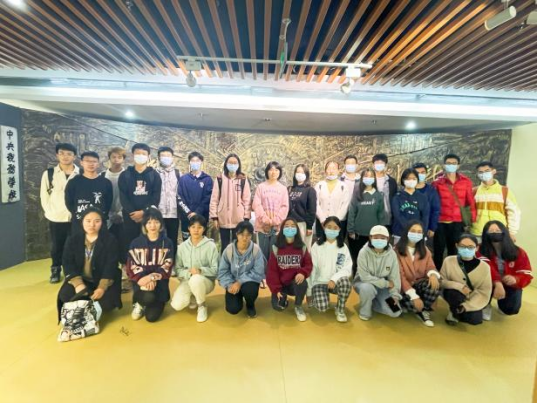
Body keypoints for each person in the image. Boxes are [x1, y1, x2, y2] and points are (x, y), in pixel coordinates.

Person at [57, 207, 122, 322]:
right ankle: (87, 304)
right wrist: (78, 284)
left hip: (102, 280)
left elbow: (111, 265)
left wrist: (102, 288)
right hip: (82, 280)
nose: (92, 225)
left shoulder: (110, 240)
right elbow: (67, 263)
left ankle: (84, 305)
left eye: (97, 221)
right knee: (65, 295)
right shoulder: (73, 239)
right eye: (88, 221)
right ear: (82, 221)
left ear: (102, 222)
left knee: (108, 304)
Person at [40, 142, 80, 284]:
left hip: (76, 217)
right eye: (62, 153)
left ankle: (73, 270)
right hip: (57, 217)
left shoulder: (80, 173)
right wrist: (50, 211)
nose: (65, 156)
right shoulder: (49, 173)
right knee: (57, 245)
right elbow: (44, 195)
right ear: (57, 155)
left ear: (74, 156)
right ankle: (56, 269)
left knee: (76, 244)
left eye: (69, 154)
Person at [126, 208, 174, 323]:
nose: (153, 226)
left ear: (161, 224)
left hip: (160, 285)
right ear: (144, 225)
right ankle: (139, 304)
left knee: (151, 318)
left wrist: (152, 277)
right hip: (142, 284)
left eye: (156, 222)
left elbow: (167, 266)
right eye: (149, 222)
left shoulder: (167, 243)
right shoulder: (136, 243)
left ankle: (156, 302)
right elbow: (131, 266)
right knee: (148, 297)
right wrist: (143, 279)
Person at [479, 221, 534, 321]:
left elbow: (526, 273)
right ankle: (485, 304)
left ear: (504, 232)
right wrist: (497, 282)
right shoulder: (480, 249)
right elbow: (485, 267)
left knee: (511, 309)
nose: (494, 233)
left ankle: (503, 304)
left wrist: (516, 279)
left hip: (508, 284)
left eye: (497, 230)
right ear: (485, 234)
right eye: (491, 231)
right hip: (488, 282)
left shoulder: (518, 251)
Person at [118, 143, 162, 264]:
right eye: (138, 153)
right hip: (130, 217)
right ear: (133, 155)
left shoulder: (154, 175)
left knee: (148, 243)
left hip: (148, 217)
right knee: (129, 242)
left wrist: (143, 212)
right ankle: (130, 266)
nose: (140, 156)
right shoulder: (125, 175)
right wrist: (133, 213)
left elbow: (156, 197)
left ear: (148, 156)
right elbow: (123, 197)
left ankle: (147, 266)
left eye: (143, 154)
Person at [170, 215, 219, 323]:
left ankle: (202, 305)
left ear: (204, 229)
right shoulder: (182, 247)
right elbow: (178, 269)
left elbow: (215, 270)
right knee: (177, 305)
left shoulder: (211, 246)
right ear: (188, 228)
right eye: (193, 227)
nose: (196, 230)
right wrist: (189, 273)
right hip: (187, 281)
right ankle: (193, 296)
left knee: (196, 279)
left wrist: (201, 271)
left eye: (199, 227)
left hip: (205, 282)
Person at [432, 154, 477, 270]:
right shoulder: (437, 183)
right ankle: (437, 273)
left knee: (454, 250)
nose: (451, 165)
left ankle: (452, 272)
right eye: (448, 163)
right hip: (440, 222)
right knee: (438, 250)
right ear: (444, 165)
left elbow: (471, 202)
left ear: (458, 166)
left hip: (457, 222)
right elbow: (434, 204)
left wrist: (472, 219)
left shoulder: (466, 181)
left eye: (454, 163)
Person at [395, 221, 441, 328]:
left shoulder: (425, 250)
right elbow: (400, 276)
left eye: (419, 232)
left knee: (435, 284)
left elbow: (431, 266)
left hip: (419, 285)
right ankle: (413, 306)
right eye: (413, 231)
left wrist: (433, 275)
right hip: (403, 288)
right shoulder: (396, 250)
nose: (416, 234)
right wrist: (414, 296)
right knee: (394, 310)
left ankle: (423, 310)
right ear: (406, 232)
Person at [267, 218, 313, 322]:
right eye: (287, 226)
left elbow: (308, 264)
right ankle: (283, 298)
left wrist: (303, 273)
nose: (290, 228)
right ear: (282, 229)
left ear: (297, 230)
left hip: (294, 284)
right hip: (281, 284)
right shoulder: (276, 248)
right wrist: (276, 289)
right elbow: (272, 271)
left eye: (293, 226)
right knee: (278, 307)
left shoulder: (302, 247)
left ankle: (298, 306)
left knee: (302, 283)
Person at [441, 234, 492, 327]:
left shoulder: (485, 267)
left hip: (472, 297)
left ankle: (459, 310)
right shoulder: (448, 261)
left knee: (475, 319)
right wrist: (459, 286)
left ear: (477, 248)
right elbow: (442, 281)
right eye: (462, 246)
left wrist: (466, 306)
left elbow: (484, 292)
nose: (466, 249)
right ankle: (453, 311)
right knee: (454, 294)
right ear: (457, 246)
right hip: (454, 294)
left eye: (470, 247)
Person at [218, 221, 266, 318]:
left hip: (249, 282)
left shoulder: (256, 250)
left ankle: (250, 304)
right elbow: (223, 272)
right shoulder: (229, 250)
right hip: (232, 282)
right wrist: (229, 285)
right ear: (236, 234)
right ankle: (238, 297)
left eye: (248, 235)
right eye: (242, 234)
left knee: (250, 290)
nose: (245, 238)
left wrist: (240, 282)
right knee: (233, 309)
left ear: (251, 235)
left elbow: (258, 272)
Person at [309, 217, 353, 323]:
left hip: (335, 283)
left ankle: (340, 309)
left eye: (335, 228)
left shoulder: (343, 247)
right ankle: (323, 295)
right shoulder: (316, 246)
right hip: (319, 282)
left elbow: (347, 268)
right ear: (324, 228)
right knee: (322, 307)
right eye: (329, 227)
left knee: (346, 283)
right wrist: (309, 291)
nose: (332, 230)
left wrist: (334, 279)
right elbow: (312, 269)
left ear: (339, 230)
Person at [354, 226, 402, 321]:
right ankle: (365, 311)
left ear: (388, 238)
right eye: (376, 237)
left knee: (395, 312)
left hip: (382, 288)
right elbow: (364, 277)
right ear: (370, 238)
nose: (379, 240)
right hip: (364, 283)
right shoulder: (363, 252)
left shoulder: (392, 254)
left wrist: (395, 295)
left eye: (382, 238)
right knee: (367, 288)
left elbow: (394, 277)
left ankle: (373, 301)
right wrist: (386, 283)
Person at [210, 154, 252, 253]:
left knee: (238, 245)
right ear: (226, 164)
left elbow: (247, 200)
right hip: (223, 218)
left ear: (238, 165)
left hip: (239, 219)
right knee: (224, 246)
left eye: (235, 163)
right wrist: (215, 218)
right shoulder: (220, 179)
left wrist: (246, 218)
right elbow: (214, 199)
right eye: (230, 162)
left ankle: (237, 262)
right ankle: (225, 262)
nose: (232, 165)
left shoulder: (243, 179)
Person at [347, 168, 386, 277]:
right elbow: (352, 212)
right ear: (362, 178)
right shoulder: (357, 194)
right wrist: (350, 230)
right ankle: (356, 279)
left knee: (371, 259)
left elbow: (381, 215)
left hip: (372, 235)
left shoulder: (378, 195)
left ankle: (371, 279)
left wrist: (380, 232)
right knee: (356, 258)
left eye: (371, 176)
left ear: (374, 179)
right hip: (357, 234)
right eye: (366, 176)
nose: (368, 178)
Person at [472, 161, 521, 242]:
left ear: (493, 171)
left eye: (487, 171)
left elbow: (514, 212)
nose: (484, 174)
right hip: (478, 233)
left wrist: (512, 232)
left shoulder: (505, 191)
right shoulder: (474, 191)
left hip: (499, 232)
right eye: (481, 172)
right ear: (478, 174)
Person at [65, 151, 113, 229]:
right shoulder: (73, 182)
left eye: (94, 161)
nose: (91, 164)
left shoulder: (106, 182)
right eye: (87, 161)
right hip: (79, 222)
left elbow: (108, 203)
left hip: (99, 223)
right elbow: (69, 203)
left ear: (98, 164)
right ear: (81, 163)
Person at [252, 161, 289, 261]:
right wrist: (266, 221)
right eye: (271, 170)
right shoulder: (261, 187)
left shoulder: (283, 189)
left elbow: (285, 207)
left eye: (276, 170)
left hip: (277, 228)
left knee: (275, 256)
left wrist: (274, 222)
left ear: (279, 172)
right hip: (262, 227)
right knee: (262, 256)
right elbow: (256, 204)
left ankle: (273, 272)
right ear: (267, 171)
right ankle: (263, 272)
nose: (273, 172)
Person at [177, 152, 214, 241]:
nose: (195, 163)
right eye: (192, 161)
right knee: (187, 243)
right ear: (189, 162)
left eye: (197, 160)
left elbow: (207, 198)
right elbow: (179, 198)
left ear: (201, 162)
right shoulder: (183, 179)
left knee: (200, 243)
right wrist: (189, 213)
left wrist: (197, 212)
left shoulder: (207, 179)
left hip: (201, 218)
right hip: (186, 219)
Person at [391, 168, 430, 243]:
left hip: (418, 234)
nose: (411, 181)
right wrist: (409, 229)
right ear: (403, 180)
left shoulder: (422, 197)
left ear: (417, 180)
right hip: (400, 233)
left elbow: (425, 216)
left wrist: (421, 231)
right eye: (408, 178)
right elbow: (397, 215)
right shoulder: (397, 197)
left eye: (414, 178)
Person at [315, 162, 350, 240]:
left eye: (334, 168)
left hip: (338, 223)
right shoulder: (319, 185)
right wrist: (322, 219)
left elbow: (345, 205)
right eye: (329, 168)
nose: (331, 171)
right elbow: (315, 204)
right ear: (325, 171)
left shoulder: (343, 186)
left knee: (337, 244)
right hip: (322, 223)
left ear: (338, 171)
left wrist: (336, 221)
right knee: (321, 244)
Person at [156, 146, 181, 255]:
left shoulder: (178, 173)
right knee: (157, 240)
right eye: (163, 156)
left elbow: (180, 193)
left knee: (172, 240)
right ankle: (158, 261)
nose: (166, 158)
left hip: (173, 213)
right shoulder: (154, 173)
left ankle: (172, 261)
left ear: (172, 157)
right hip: (158, 213)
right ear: (158, 158)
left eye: (168, 156)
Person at [288, 164, 317, 251]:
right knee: (291, 250)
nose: (299, 174)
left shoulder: (310, 190)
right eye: (297, 172)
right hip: (289, 225)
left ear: (306, 175)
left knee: (304, 250)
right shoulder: (289, 189)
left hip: (303, 224)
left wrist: (309, 226)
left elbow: (312, 210)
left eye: (302, 172)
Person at [413, 163, 441, 243]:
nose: (420, 175)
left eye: (422, 172)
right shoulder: (406, 190)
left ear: (426, 173)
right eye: (417, 173)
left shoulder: (431, 191)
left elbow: (435, 210)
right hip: (407, 227)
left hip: (425, 228)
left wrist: (432, 228)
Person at [102, 147, 126, 241]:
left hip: (124, 216)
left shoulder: (128, 175)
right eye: (114, 157)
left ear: (123, 159)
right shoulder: (102, 175)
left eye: (119, 157)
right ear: (109, 158)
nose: (116, 159)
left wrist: (121, 214)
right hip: (106, 218)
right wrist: (108, 215)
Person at [372, 153, 398, 230]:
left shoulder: (391, 181)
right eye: (377, 163)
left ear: (385, 165)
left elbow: (394, 199)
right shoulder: (368, 180)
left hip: (387, 219)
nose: (379, 165)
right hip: (371, 218)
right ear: (373, 165)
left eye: (381, 163)